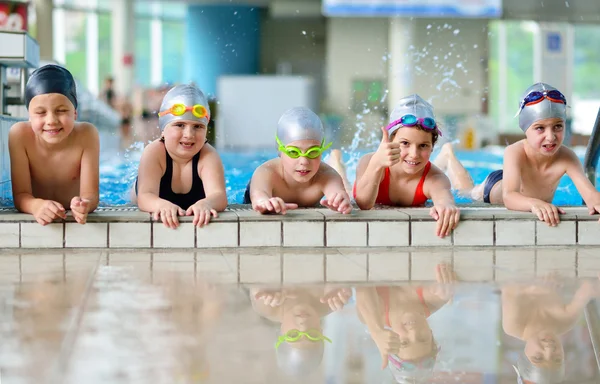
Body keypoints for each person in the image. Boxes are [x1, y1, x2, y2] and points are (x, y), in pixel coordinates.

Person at [433, 83, 600, 227]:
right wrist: (533, 203)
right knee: (466, 191)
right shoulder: (515, 151)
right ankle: (449, 155)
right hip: (496, 186)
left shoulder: (567, 157)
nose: (551, 136)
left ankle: (449, 156)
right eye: (540, 128)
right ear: (525, 129)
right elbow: (509, 197)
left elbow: (590, 194)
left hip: (519, 186)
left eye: (557, 126)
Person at [351, 94, 459, 238]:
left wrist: (446, 205)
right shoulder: (369, 162)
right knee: (343, 188)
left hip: (425, 170)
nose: (414, 154)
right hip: (363, 180)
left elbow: (443, 197)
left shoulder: (435, 178)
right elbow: (363, 204)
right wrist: (377, 164)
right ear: (390, 140)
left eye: (423, 145)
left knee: (467, 190)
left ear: (432, 147)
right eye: (405, 143)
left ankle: (447, 156)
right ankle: (336, 161)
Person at [9, 64, 99, 225]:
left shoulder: (87, 135)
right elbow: (21, 194)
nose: (51, 121)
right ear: (29, 116)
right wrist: (36, 205)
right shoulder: (19, 135)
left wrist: (84, 205)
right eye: (40, 112)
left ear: (75, 113)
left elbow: (91, 195)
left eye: (61, 110)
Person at [133, 84, 227, 229]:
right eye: (180, 125)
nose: (189, 134)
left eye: (198, 126)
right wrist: (160, 204)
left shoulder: (208, 155)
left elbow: (219, 196)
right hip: (142, 193)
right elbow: (145, 197)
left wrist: (206, 203)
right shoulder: (154, 152)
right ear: (163, 130)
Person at [356, 264, 456, 383]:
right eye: (423, 338)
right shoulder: (434, 298)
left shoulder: (376, 316)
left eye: (404, 342)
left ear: (390, 339)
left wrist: (376, 330)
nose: (413, 332)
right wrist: (446, 283)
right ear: (431, 333)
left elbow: (361, 281)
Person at [244, 107, 352, 215]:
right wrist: (264, 202)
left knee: (348, 191)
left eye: (313, 152)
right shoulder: (266, 173)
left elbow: (338, 193)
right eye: (294, 152)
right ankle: (336, 162)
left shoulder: (327, 175)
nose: (304, 161)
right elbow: (259, 195)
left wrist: (341, 201)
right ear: (280, 151)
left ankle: (337, 163)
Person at [502, 273, 600, 383]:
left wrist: (534, 287)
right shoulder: (566, 321)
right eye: (557, 359)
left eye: (538, 357)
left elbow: (508, 286)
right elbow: (588, 289)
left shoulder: (513, 325)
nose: (549, 349)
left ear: (524, 355)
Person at [250, 286, 351, 377]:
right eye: (312, 335)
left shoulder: (268, 307)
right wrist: (338, 284)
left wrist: (265, 285)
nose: (304, 326)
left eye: (293, 335)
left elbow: (254, 285)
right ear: (321, 330)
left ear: (282, 331)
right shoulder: (330, 300)